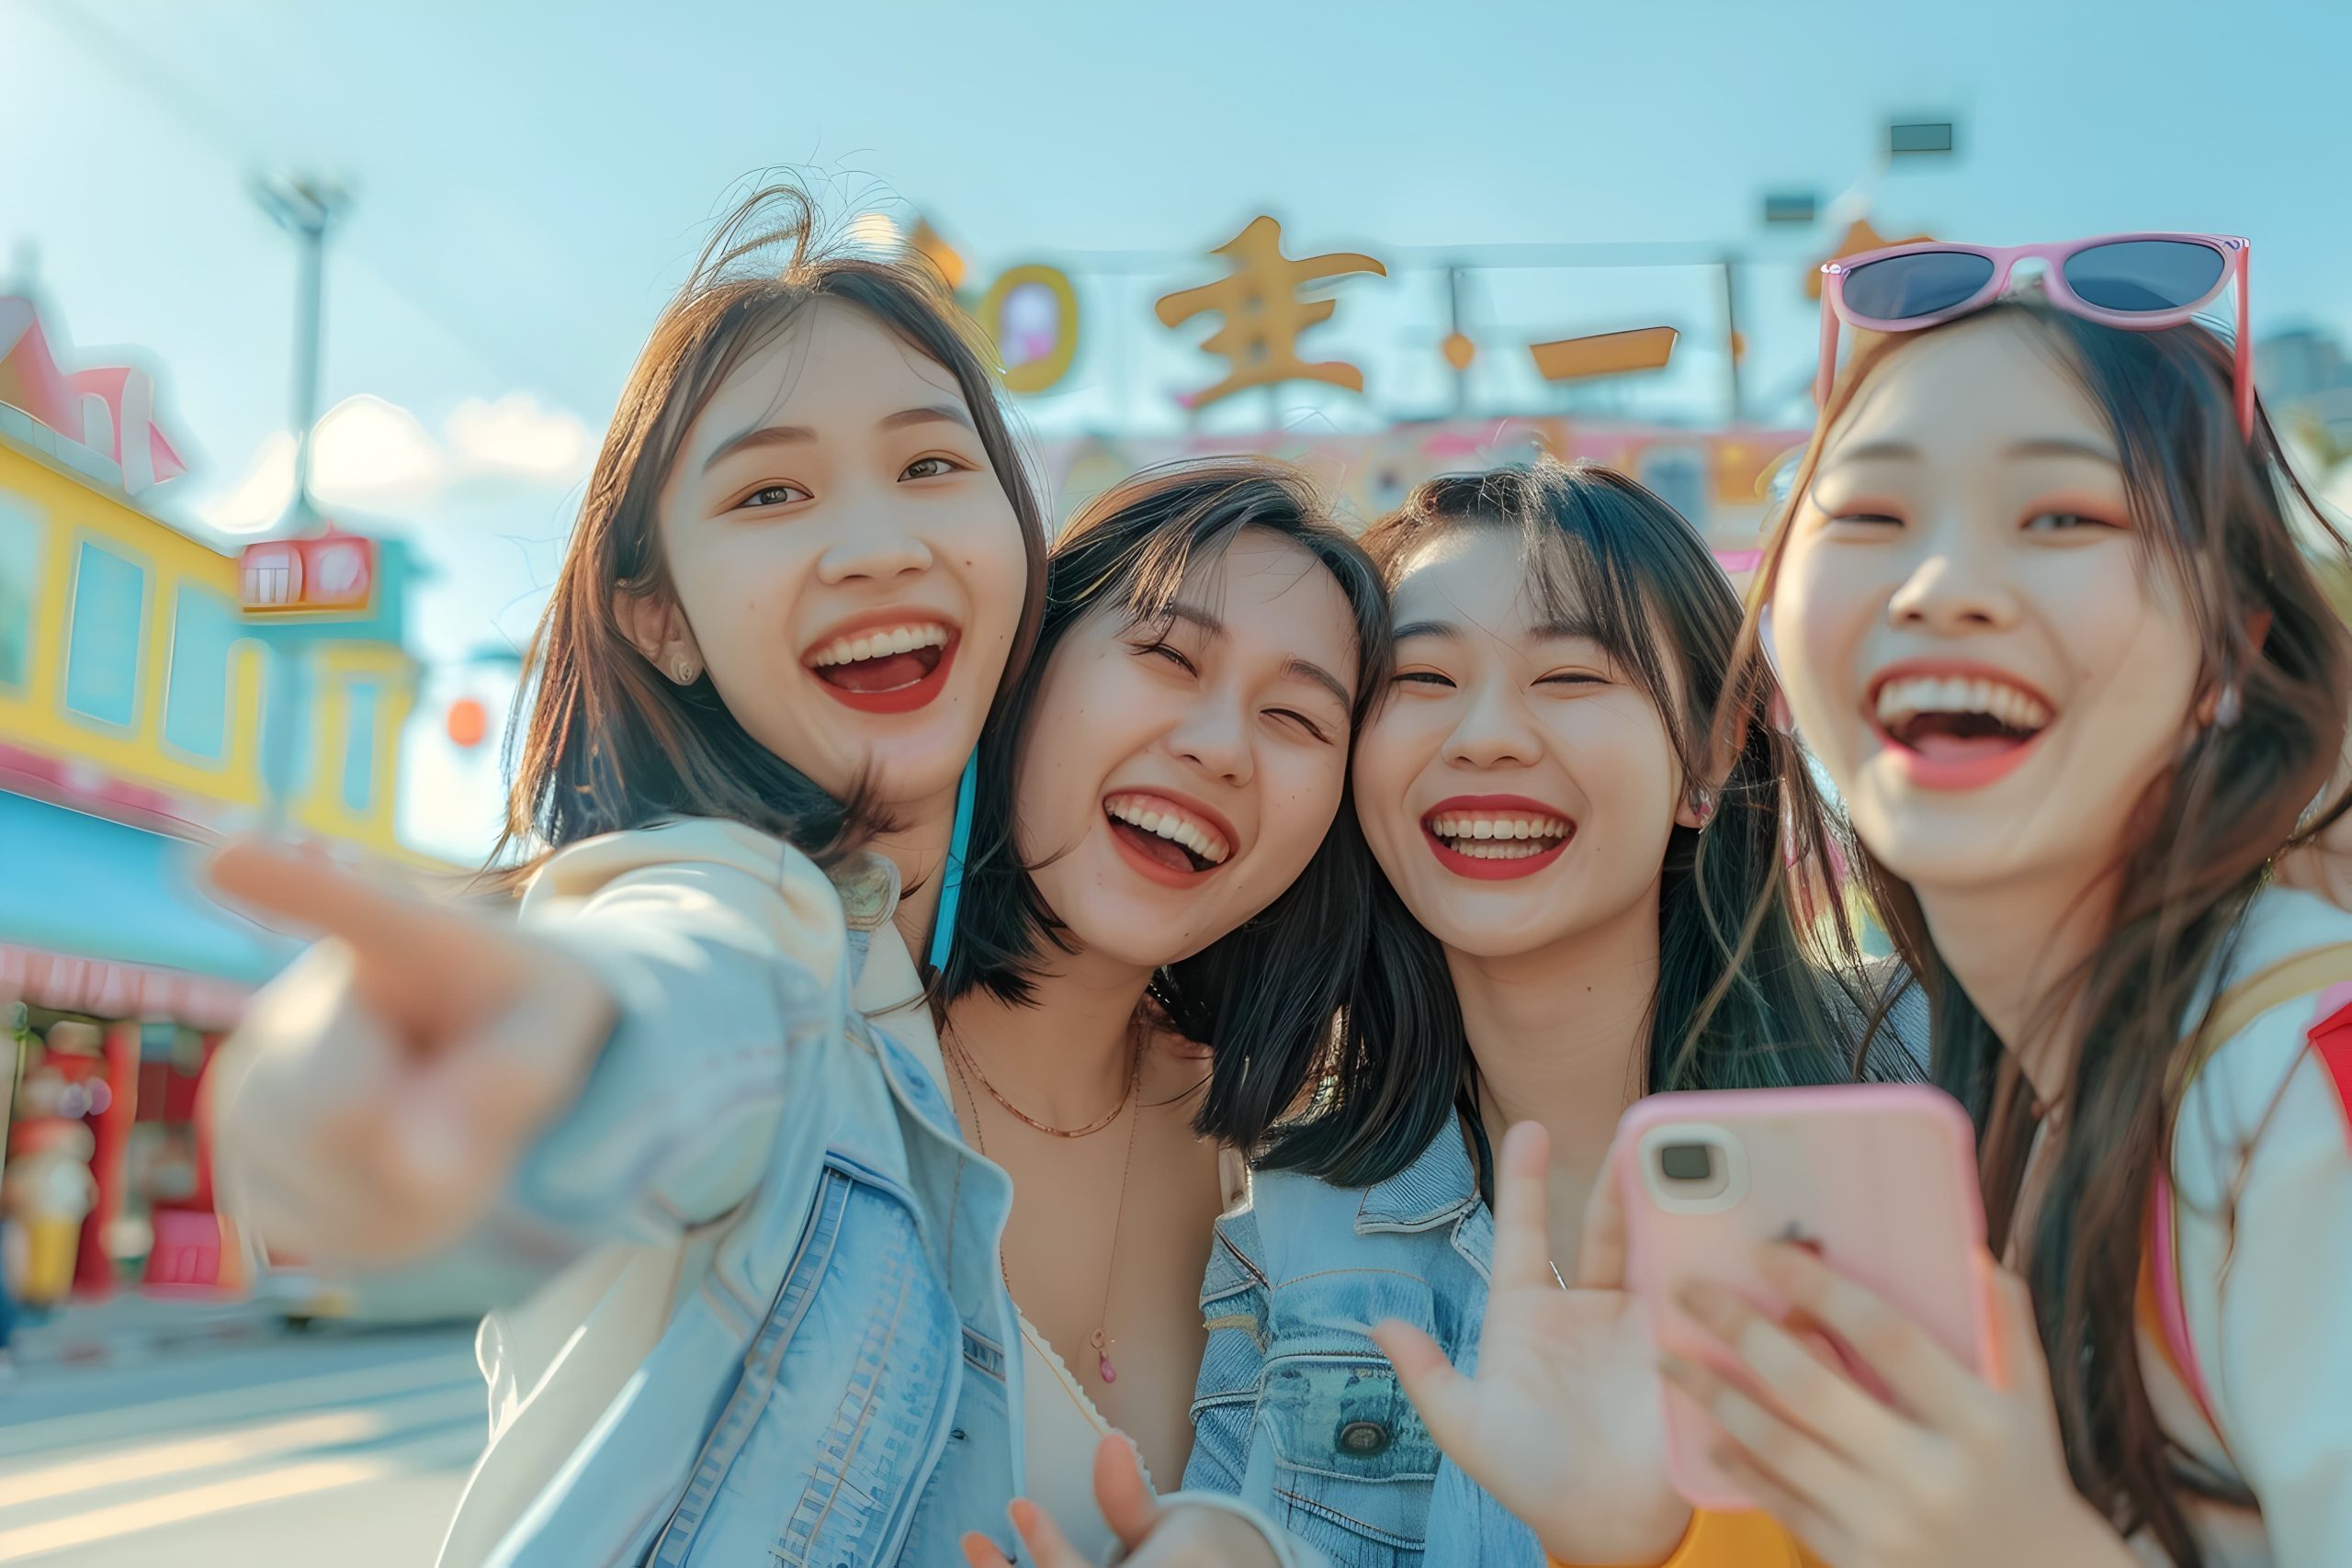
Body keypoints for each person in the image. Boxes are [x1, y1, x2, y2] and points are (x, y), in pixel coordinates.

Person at [1415, 243, 2352, 1568]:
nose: (1937, 586)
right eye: (1868, 519)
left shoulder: (2299, 1078)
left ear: (2237, 648)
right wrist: (1631, 1543)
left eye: (2064, 516)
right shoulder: (2022, 1110)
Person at [202, 184, 1060, 1566]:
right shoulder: (736, 908)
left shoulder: (1010, 983)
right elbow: (667, 994)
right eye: (771, 491)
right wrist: (517, 1068)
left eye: (930, 467)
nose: (878, 542)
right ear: (659, 617)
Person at [1177, 462, 1907, 1566]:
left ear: (1709, 754)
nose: (1485, 736)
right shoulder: (1291, 1231)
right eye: (1420, 679)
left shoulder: (1934, 1086)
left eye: (1569, 675)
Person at [928, 458, 1389, 1563]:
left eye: (1294, 718)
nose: (1220, 747)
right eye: (1167, 655)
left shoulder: (1266, 1167)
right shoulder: (813, 1053)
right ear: (1025, 667)